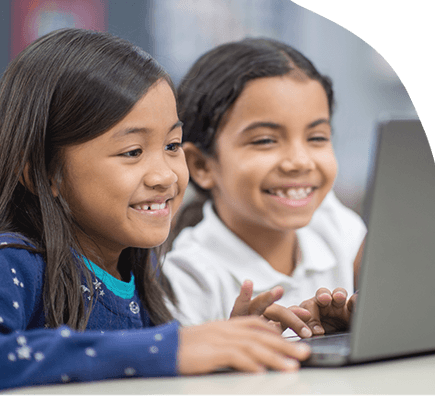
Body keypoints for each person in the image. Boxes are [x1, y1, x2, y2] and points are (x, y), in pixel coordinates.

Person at [0, 28, 311, 391]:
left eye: (172, 145)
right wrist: (167, 349)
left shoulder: (140, 267)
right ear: (41, 173)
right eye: (132, 152)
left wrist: (234, 344)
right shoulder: (15, 262)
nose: (165, 176)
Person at [162, 38, 367, 336]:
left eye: (317, 137)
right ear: (202, 166)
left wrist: (354, 327)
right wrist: (230, 345)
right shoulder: (188, 279)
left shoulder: (333, 222)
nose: (300, 162)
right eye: (265, 141)